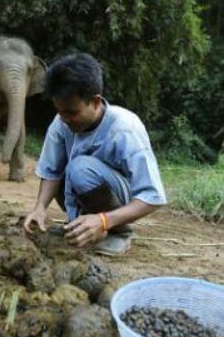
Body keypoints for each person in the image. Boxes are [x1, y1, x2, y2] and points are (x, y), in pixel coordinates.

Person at [23, 53, 167, 255]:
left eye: (72, 112)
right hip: (83, 189)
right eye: (60, 111)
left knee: (79, 168)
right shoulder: (61, 121)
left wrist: (104, 221)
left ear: (96, 102)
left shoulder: (124, 129)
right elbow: (51, 171)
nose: (65, 119)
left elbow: (152, 196)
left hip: (119, 200)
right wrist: (39, 208)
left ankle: (118, 232)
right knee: (70, 169)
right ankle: (78, 226)